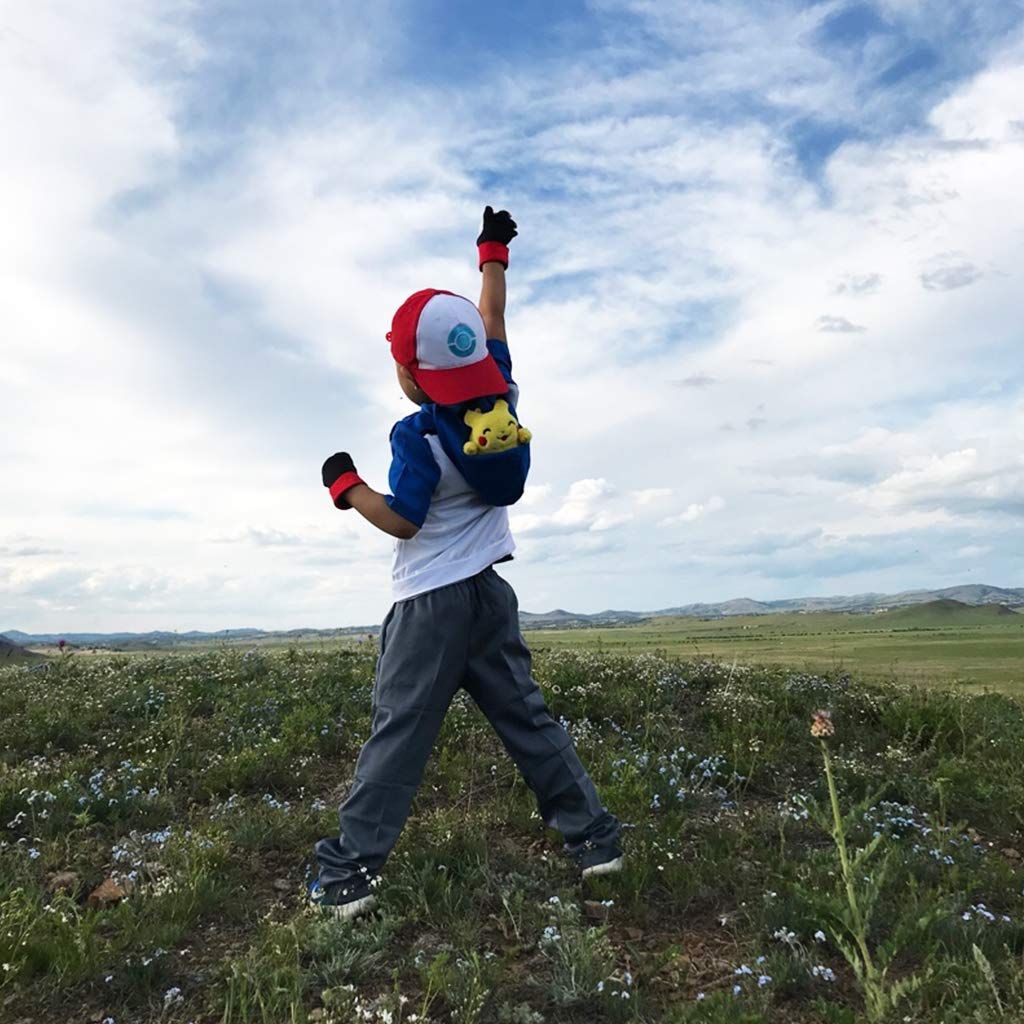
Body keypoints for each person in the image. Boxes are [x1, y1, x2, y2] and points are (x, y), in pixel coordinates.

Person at [309, 206, 623, 920]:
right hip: (489, 594)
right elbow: (493, 323)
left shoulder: (415, 435)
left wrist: (345, 487)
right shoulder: (502, 393)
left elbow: (402, 518)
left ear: (411, 375)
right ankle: (595, 840)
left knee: (400, 731)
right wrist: (492, 255)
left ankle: (349, 873)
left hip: (428, 605)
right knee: (527, 718)